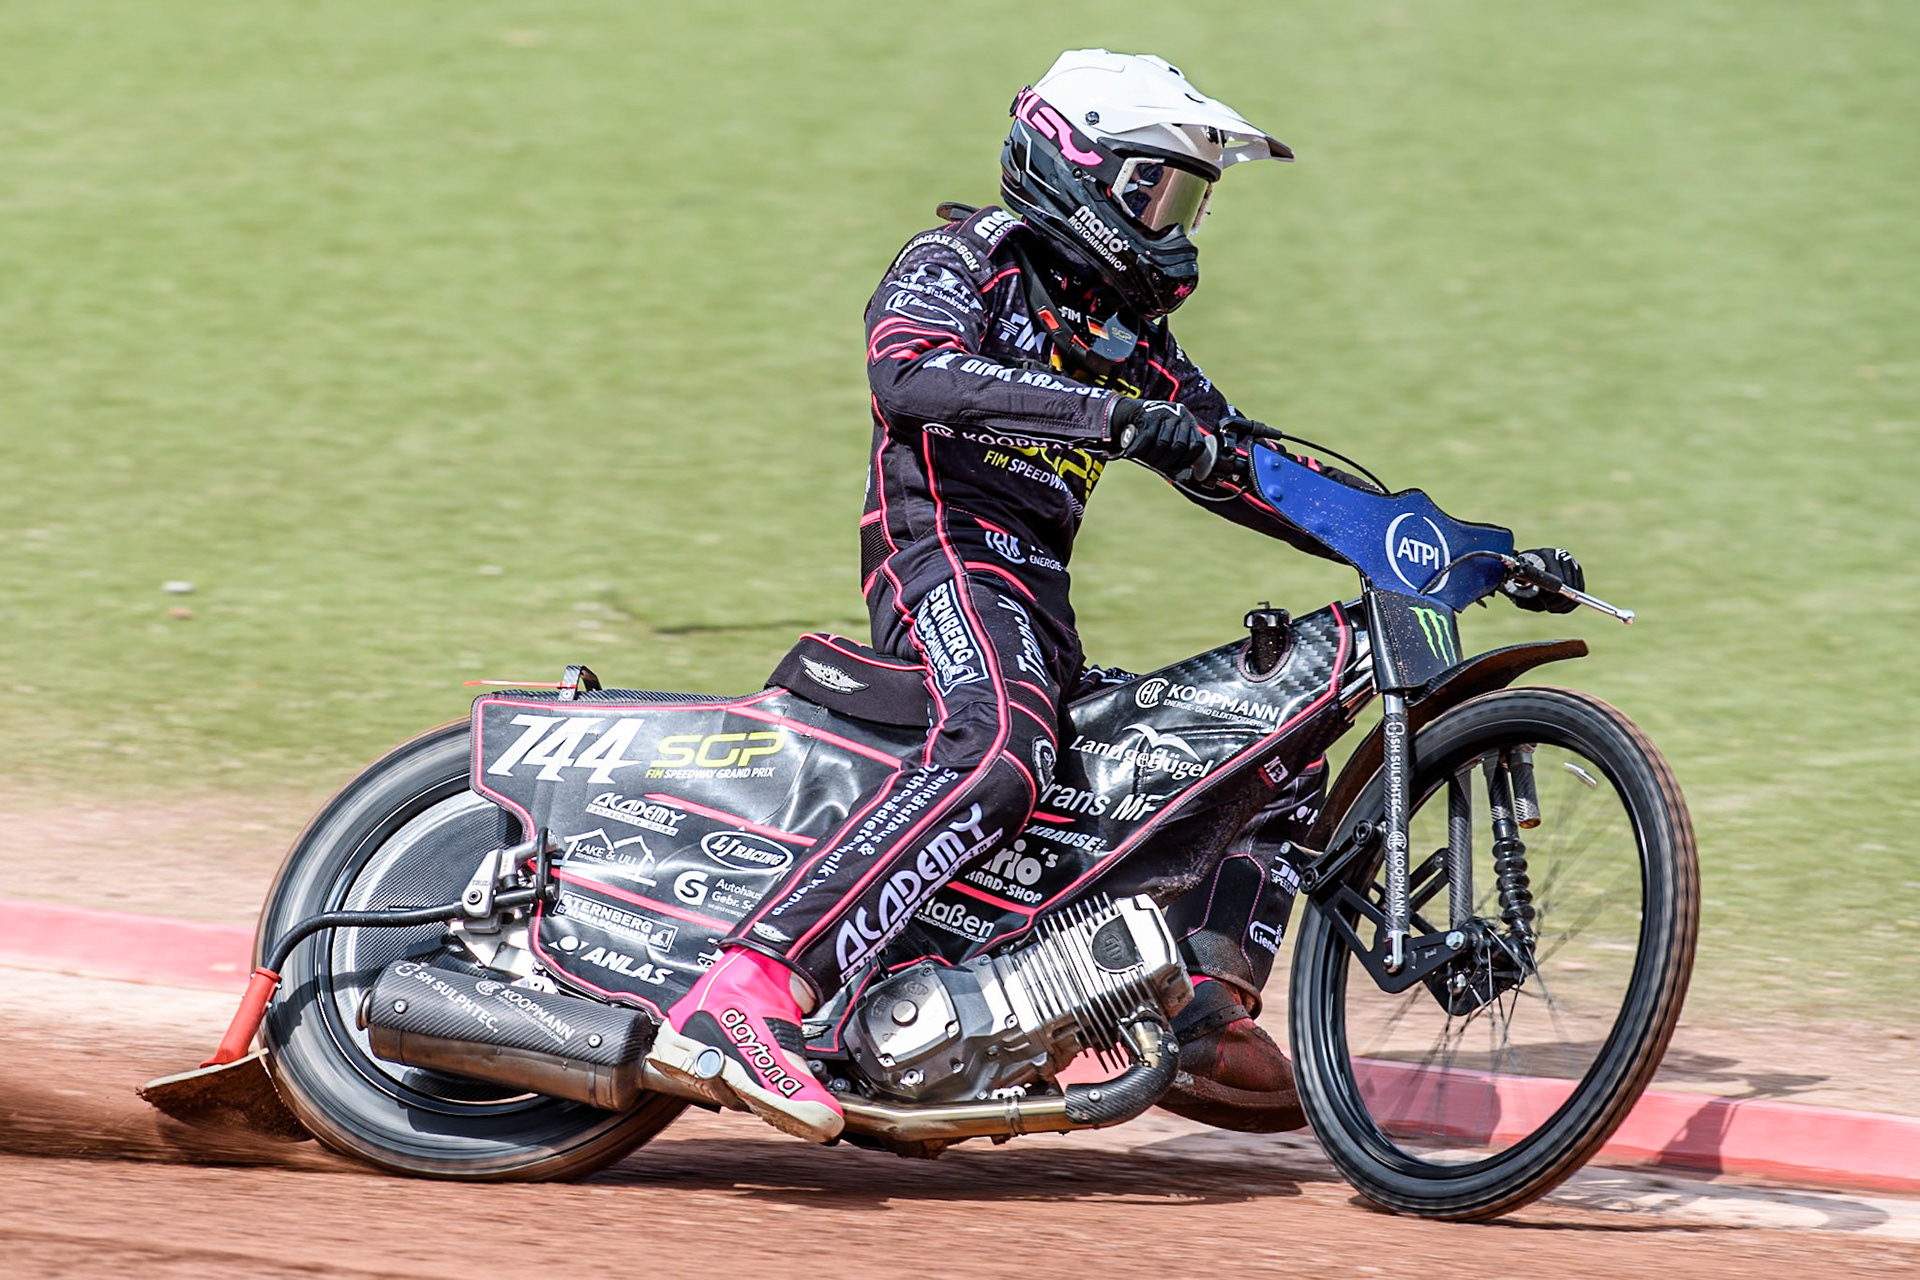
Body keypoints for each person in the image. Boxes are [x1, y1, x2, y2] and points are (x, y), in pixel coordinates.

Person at [655, 50, 1585, 1143]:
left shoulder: (1129, 342)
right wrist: (1110, 416)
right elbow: (904, 374)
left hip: (1036, 596)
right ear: (1075, 166)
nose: (1176, 221)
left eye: (1189, 198)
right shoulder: (965, 258)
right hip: (944, 556)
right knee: (1002, 745)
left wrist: (1460, 551)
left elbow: (1247, 465)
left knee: (1268, 739)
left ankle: (1194, 1000)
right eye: (1158, 189)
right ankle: (747, 990)